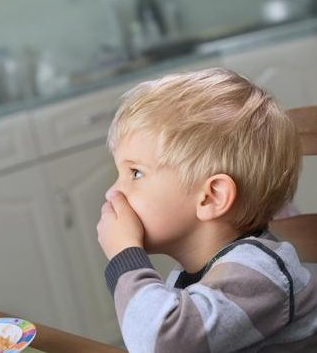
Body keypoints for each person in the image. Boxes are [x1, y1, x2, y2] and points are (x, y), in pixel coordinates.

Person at [97, 68, 317, 352]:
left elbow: (162, 343)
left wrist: (125, 256)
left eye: (135, 173)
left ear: (211, 197)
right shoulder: (199, 274)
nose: (113, 192)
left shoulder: (258, 274)